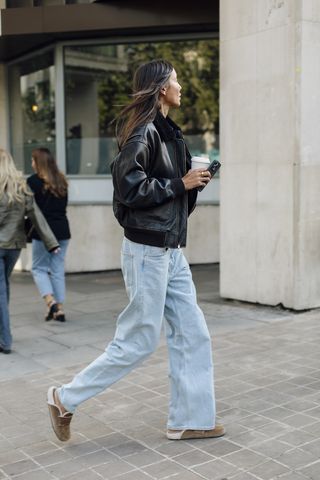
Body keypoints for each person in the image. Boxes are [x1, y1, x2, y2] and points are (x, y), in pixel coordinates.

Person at [47, 59, 225, 442]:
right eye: (176, 81)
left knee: (193, 333)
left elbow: (169, 194)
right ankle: (64, 398)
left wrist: (192, 185)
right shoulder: (143, 133)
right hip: (147, 251)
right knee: (139, 340)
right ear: (162, 88)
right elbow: (128, 190)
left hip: (171, 249)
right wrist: (181, 183)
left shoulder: (168, 133)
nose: (181, 88)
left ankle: (190, 419)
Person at [0, 149, 60, 354]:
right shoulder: (21, 187)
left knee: (1, 291)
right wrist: (51, 243)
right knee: (3, 288)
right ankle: (3, 332)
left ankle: (5, 340)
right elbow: (36, 216)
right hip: (14, 248)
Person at [27, 148, 71, 322]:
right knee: (57, 269)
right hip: (63, 231)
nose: (31, 163)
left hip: (44, 232)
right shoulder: (61, 180)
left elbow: (31, 210)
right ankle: (58, 309)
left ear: (39, 162)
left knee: (38, 268)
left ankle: (50, 301)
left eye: (33, 160)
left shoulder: (32, 181)